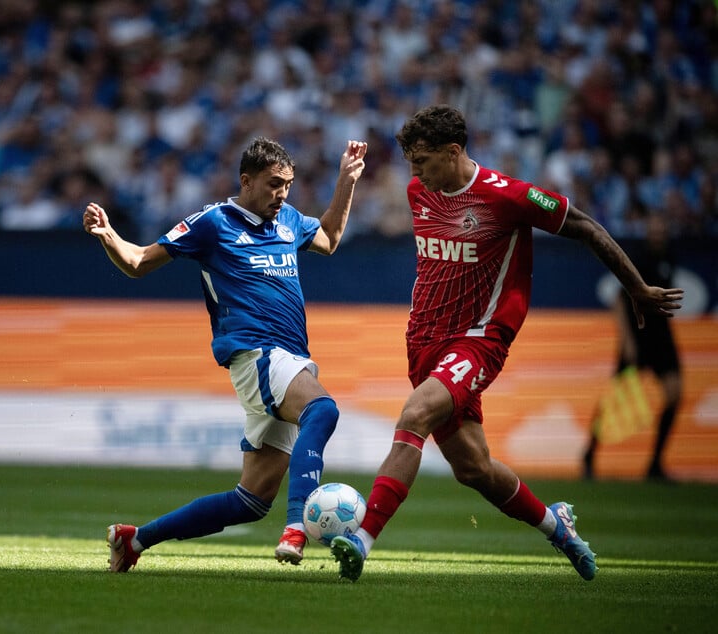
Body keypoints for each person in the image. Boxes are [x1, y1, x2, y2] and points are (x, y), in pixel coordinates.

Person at [329, 105, 683, 583]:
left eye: (423, 161)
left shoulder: (506, 196)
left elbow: (587, 227)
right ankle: (556, 525)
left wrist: (637, 288)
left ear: (453, 152)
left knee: (413, 415)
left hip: (479, 340)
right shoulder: (419, 193)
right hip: (423, 344)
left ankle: (362, 540)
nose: (414, 174)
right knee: (474, 469)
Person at [85, 137, 368, 572]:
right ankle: (297, 526)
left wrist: (346, 181)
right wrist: (109, 236)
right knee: (322, 410)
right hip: (255, 355)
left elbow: (328, 238)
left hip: (285, 358)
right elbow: (140, 261)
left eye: (288, 185)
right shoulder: (213, 222)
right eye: (274, 184)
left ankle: (136, 540)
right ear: (247, 180)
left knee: (249, 502)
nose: (282, 194)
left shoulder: (289, 220)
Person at [583, 213, 683, 481]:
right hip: (638, 336)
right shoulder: (638, 259)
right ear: (647, 232)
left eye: (662, 229)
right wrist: (626, 340)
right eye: (654, 229)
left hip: (661, 337)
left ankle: (655, 463)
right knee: (615, 398)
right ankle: (589, 453)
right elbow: (619, 299)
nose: (658, 234)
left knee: (675, 393)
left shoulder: (669, 258)